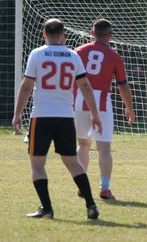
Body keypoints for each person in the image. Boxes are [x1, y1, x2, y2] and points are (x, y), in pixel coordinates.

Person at [12, 18, 102, 219]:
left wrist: (17, 114)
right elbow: (85, 86)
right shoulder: (73, 56)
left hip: (41, 116)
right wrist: (95, 114)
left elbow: (27, 86)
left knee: (37, 165)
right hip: (65, 117)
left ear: (44, 34)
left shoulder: (37, 54)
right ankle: (91, 205)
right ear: (63, 35)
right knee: (73, 162)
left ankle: (47, 209)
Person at [74, 19, 136, 200]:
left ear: (92, 33)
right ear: (110, 34)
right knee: (104, 148)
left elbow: (71, 79)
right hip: (102, 102)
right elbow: (122, 86)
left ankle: (81, 185)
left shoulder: (79, 51)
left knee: (83, 145)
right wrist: (129, 108)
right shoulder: (115, 56)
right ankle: (105, 188)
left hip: (80, 100)